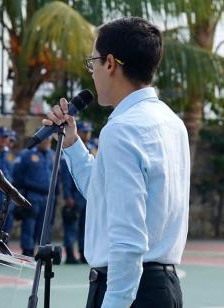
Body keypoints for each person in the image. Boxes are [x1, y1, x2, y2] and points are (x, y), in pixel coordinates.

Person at [43, 17, 188, 307]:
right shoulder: (172, 122)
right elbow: (105, 193)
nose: (92, 72)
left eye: (93, 62)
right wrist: (72, 143)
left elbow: (128, 241)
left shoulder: (122, 130)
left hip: (128, 290)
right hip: (161, 288)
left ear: (110, 63)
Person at [61, 121, 97, 264]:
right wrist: (68, 196)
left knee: (86, 225)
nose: (87, 134)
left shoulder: (93, 148)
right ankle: (70, 252)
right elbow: (66, 177)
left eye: (88, 132)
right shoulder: (71, 148)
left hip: (88, 195)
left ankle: (83, 253)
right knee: (72, 225)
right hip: (75, 195)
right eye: (84, 131)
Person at [12, 138, 55, 257]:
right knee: (29, 225)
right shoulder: (27, 154)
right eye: (45, 140)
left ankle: (43, 251)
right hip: (31, 195)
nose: (47, 142)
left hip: (47, 196)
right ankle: (28, 250)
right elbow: (17, 175)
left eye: (49, 140)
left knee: (45, 226)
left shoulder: (52, 155)